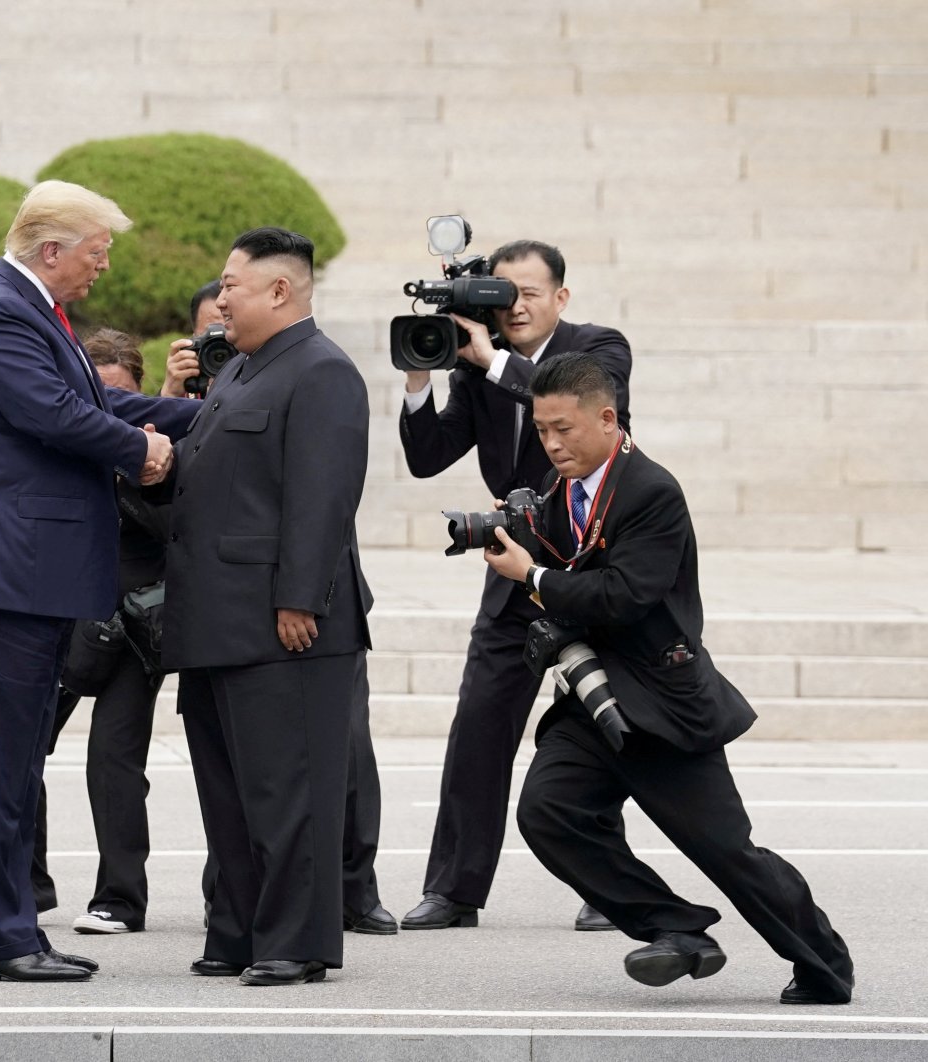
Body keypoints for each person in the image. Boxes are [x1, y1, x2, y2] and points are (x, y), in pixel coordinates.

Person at [484, 352, 854, 1006]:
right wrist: (518, 537)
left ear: (606, 418)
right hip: (588, 697)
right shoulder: (555, 487)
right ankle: (676, 929)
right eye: (542, 430)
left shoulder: (652, 490)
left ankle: (823, 961)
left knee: (726, 854)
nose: (552, 443)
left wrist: (532, 576)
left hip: (660, 704)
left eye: (563, 429)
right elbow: (564, 568)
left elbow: (624, 596)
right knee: (548, 814)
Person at [0, 180, 199, 982]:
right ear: (52, 250)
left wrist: (210, 415)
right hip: (0, 573)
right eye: (95, 251)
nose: (102, 267)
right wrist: (143, 452)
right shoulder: (1, 311)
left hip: (25, 573)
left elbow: (98, 401)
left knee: (13, 768)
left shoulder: (30, 309)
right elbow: (55, 415)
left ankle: (14, 930)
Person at [397, 239, 632, 933]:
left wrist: (491, 360)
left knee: (601, 724)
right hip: (512, 558)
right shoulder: (477, 365)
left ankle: (606, 887)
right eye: (504, 293)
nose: (515, 306)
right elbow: (426, 457)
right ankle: (454, 890)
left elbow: (568, 395)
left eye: (528, 293)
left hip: (592, 557)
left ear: (560, 297)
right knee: (478, 723)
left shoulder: (598, 347)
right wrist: (421, 370)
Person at [161, 228, 372, 986]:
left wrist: (298, 597)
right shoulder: (241, 371)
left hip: (283, 623)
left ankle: (296, 941)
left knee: (288, 793)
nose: (219, 300)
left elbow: (322, 497)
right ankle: (238, 931)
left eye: (231, 286)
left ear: (279, 291)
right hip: (215, 619)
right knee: (230, 795)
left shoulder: (321, 371)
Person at [28, 328, 171, 935]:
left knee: (114, 760)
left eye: (122, 398)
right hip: (63, 617)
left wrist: (138, 466)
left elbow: (179, 531)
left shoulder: (161, 450)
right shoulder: (57, 438)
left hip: (135, 625)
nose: (108, 412)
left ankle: (120, 899)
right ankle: (26, 887)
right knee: (21, 748)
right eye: (96, 397)